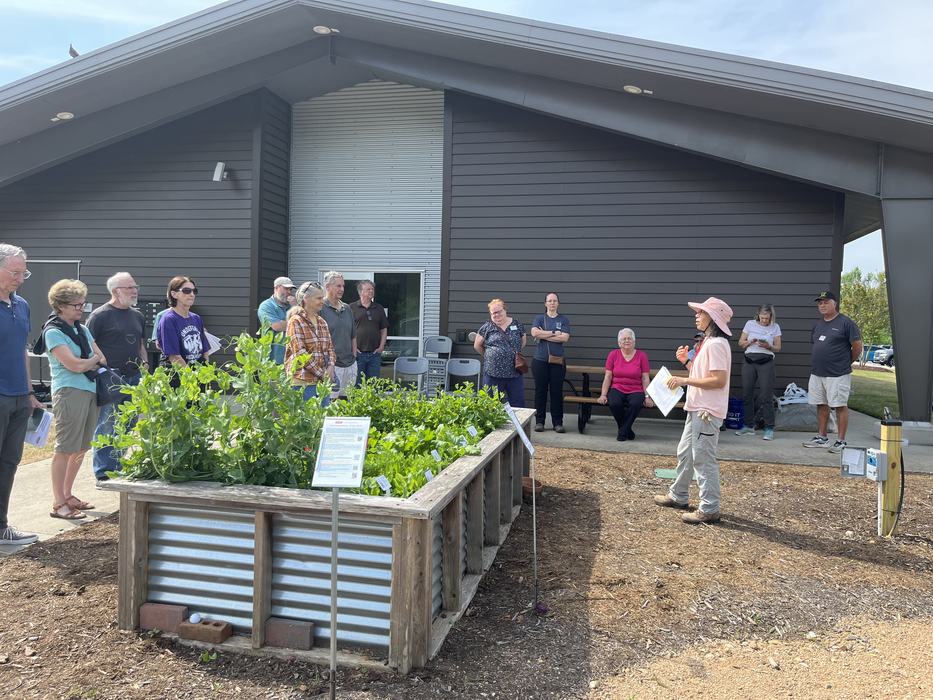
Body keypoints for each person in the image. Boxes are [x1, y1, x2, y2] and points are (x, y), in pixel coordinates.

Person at [654, 297, 733, 525]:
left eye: (701, 312)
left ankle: (709, 508)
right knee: (686, 453)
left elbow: (718, 380)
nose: (696, 315)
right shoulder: (709, 342)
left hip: (707, 411)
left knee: (703, 459)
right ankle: (678, 495)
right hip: (698, 408)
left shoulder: (717, 344)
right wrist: (685, 364)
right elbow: (705, 376)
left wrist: (684, 379)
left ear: (713, 318)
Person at [41, 279, 106, 521]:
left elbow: (103, 357)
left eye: (83, 304)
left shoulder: (82, 329)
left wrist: (89, 362)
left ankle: (68, 495)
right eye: (76, 305)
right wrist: (91, 361)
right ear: (61, 306)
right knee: (65, 448)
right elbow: (74, 365)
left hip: (90, 390)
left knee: (81, 447)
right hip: (69, 392)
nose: (81, 309)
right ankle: (59, 504)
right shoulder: (54, 332)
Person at [0, 244, 43, 544]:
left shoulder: (22, 304)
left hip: (18, 396)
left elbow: (22, 351)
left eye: (23, 272)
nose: (21, 278)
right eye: (15, 272)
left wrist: (29, 391)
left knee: (9, 462)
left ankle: (1, 526)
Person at [87, 272, 148, 480]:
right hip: (111, 378)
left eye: (135, 286)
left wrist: (145, 365)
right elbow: (89, 345)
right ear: (115, 291)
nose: (134, 291)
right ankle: (103, 471)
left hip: (134, 377)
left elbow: (140, 344)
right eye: (129, 287)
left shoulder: (137, 315)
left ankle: (118, 465)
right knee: (108, 423)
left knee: (129, 422)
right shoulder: (99, 316)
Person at [802, 291, 862, 454]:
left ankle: (841, 441)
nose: (822, 305)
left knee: (840, 405)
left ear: (834, 304)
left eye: (826, 302)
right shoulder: (817, 324)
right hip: (817, 372)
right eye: (820, 303)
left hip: (838, 373)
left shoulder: (846, 323)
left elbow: (857, 347)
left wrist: (845, 362)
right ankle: (822, 438)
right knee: (821, 404)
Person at [596, 328, 655, 441]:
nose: (627, 341)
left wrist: (648, 397)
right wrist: (603, 395)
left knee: (636, 403)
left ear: (634, 341)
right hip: (617, 387)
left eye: (629, 338)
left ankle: (623, 432)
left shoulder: (642, 355)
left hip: (636, 389)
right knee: (614, 403)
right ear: (619, 342)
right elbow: (608, 376)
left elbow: (645, 378)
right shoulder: (613, 354)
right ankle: (627, 430)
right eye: (624, 339)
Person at [734, 304, 782, 441]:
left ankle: (769, 428)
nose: (764, 321)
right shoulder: (750, 324)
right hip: (749, 360)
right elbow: (740, 343)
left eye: (767, 318)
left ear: (771, 316)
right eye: (762, 318)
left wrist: (769, 346)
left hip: (766, 361)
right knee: (747, 393)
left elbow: (778, 347)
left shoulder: (775, 327)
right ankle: (748, 426)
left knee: (766, 395)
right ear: (758, 315)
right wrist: (750, 342)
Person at [284, 281, 336, 404]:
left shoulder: (322, 322)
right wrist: (322, 374)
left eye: (322, 298)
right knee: (305, 422)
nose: (322, 301)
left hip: (322, 383)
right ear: (306, 299)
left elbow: (330, 349)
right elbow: (300, 354)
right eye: (318, 298)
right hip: (302, 382)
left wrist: (331, 366)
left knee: (322, 420)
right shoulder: (295, 321)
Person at [530, 293, 570, 432]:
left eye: (555, 301)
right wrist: (554, 332)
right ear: (545, 303)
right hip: (540, 361)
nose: (552, 303)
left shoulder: (563, 319)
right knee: (540, 391)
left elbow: (564, 338)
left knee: (556, 392)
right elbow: (534, 333)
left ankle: (557, 423)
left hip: (557, 362)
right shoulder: (539, 318)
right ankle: (539, 422)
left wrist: (544, 335)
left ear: (558, 303)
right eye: (549, 301)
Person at [474, 298, 526, 407]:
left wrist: (510, 353)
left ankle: (518, 425)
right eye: (493, 313)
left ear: (505, 310)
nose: (497, 315)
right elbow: (477, 345)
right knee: (490, 405)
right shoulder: (487, 327)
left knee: (518, 405)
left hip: (514, 373)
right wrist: (489, 355)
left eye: (499, 311)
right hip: (493, 374)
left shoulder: (517, 325)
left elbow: (523, 342)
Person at [156, 276, 210, 368]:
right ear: (174, 294)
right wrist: (191, 378)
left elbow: (205, 351)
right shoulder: (168, 319)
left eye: (194, 291)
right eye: (187, 290)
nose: (192, 294)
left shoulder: (196, 318)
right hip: (178, 376)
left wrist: (205, 372)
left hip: (197, 374)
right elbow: (174, 357)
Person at [319, 271, 357, 398]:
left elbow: (353, 336)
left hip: (350, 364)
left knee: (347, 401)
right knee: (330, 403)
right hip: (332, 366)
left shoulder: (347, 308)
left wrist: (354, 357)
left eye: (343, 286)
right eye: (338, 286)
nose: (342, 289)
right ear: (328, 287)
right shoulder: (320, 308)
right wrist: (327, 365)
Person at [350, 279, 388, 383]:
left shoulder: (378, 308)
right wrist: (353, 348)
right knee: (357, 384)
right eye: (368, 289)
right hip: (358, 354)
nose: (371, 291)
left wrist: (381, 347)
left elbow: (384, 329)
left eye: (372, 289)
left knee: (374, 385)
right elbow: (347, 330)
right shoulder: (351, 308)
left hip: (375, 354)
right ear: (361, 292)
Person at [257, 276, 297, 365]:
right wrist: (296, 323)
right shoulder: (266, 306)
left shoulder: (292, 306)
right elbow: (277, 326)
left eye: (290, 290)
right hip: (272, 360)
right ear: (276, 288)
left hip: (291, 359)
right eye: (286, 289)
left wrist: (295, 307)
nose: (289, 292)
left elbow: (304, 324)